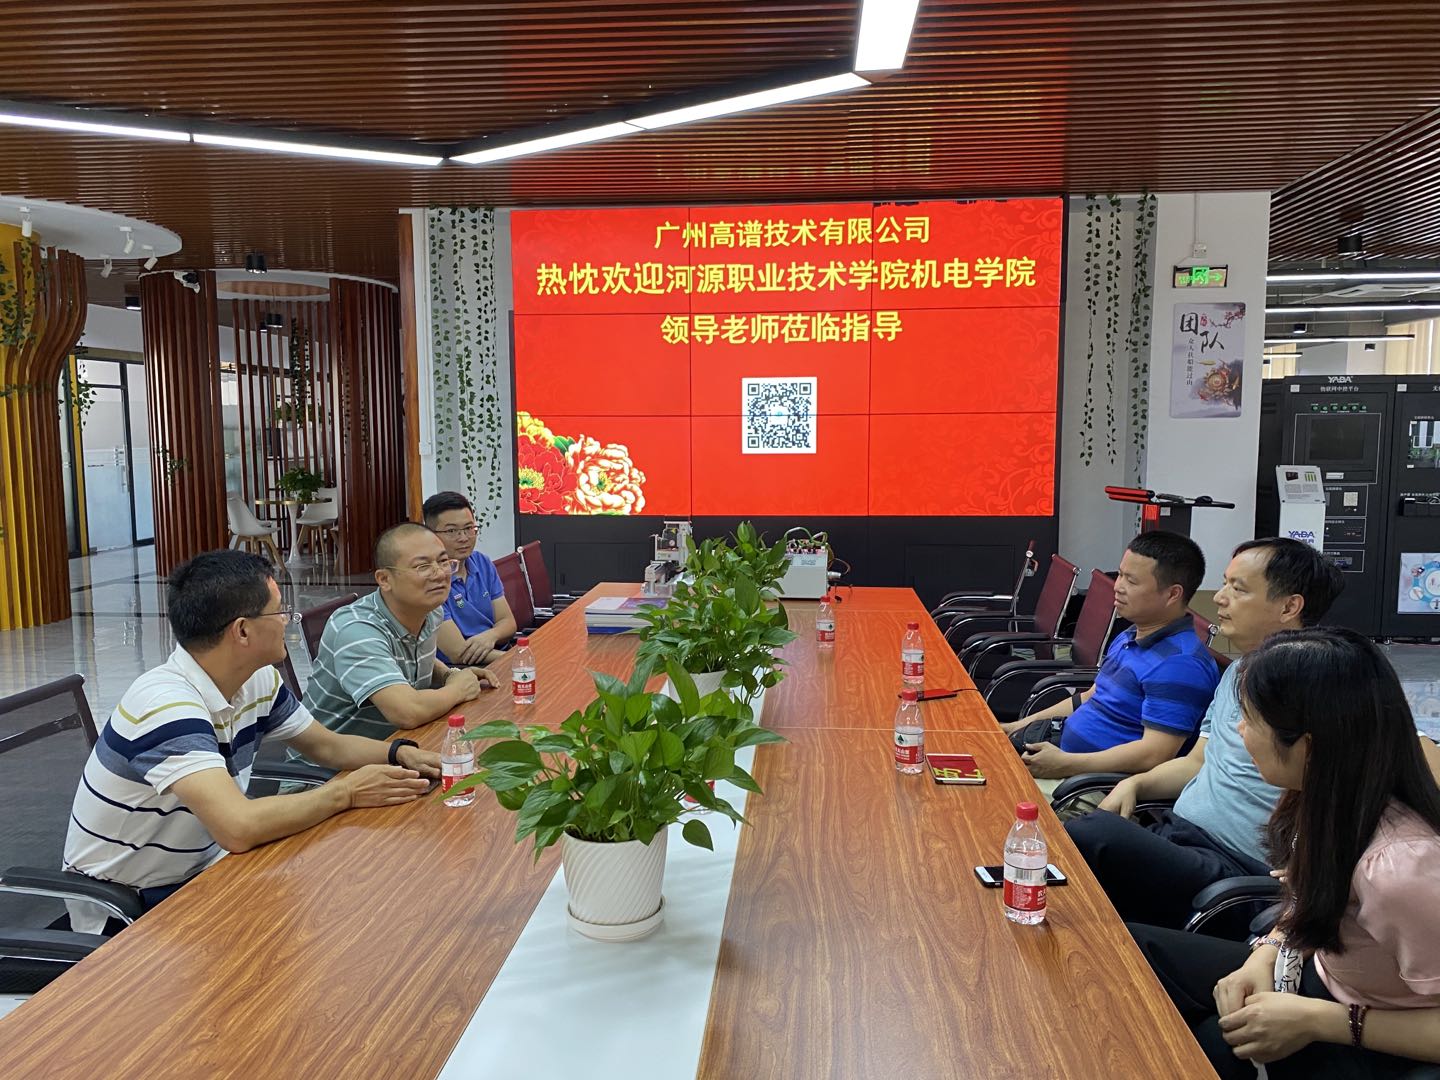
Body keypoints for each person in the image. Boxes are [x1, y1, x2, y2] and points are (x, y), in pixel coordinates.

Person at [63, 550, 442, 933]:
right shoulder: (166, 706)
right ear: (242, 631)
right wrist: (346, 793)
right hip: (129, 910)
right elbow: (238, 827)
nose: (288, 621)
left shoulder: (255, 679)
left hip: (207, 872)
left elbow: (327, 747)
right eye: (279, 611)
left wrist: (399, 753)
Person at [1130, 628, 1440, 1079]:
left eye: (1251, 720)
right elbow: (1310, 898)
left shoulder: (1400, 868)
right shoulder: (1324, 795)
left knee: (1202, 1049)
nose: (1239, 731)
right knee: (1130, 957)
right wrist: (1265, 953)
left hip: (1376, 1033)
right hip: (1319, 973)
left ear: (1307, 745)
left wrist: (1320, 1021)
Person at [1063, 538, 1343, 929]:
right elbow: (1197, 762)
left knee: (1088, 837)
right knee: (1074, 898)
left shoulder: (1321, 684)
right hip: (1178, 835)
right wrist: (1136, 784)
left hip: (1235, 870)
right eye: (1225, 583)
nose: (1220, 598)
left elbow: (1404, 753)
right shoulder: (1239, 671)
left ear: (1289, 607)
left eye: (1238, 589)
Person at [1004, 531, 1219, 781]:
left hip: (1090, 784)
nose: (1118, 586)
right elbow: (1089, 697)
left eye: (1132, 581)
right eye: (1120, 575)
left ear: (1172, 594)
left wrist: (1066, 764)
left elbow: (1154, 755)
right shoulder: (1131, 634)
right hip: (1062, 757)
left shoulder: (1180, 665)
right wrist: (1015, 727)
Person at [305, 522, 499, 742]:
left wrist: (450, 675)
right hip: (339, 761)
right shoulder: (356, 629)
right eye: (422, 566)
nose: (440, 574)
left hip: (402, 744)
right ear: (384, 579)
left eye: (443, 561)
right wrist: (458, 689)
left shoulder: (430, 611)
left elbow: (415, 656)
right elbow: (407, 712)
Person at [423, 491, 518, 667]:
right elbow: (459, 653)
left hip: (500, 653)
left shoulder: (482, 562)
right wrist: (517, 660)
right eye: (452, 531)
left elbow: (508, 623)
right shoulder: (429, 580)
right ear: (430, 535)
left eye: (469, 528)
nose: (464, 538)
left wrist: (490, 636)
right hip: (465, 670)